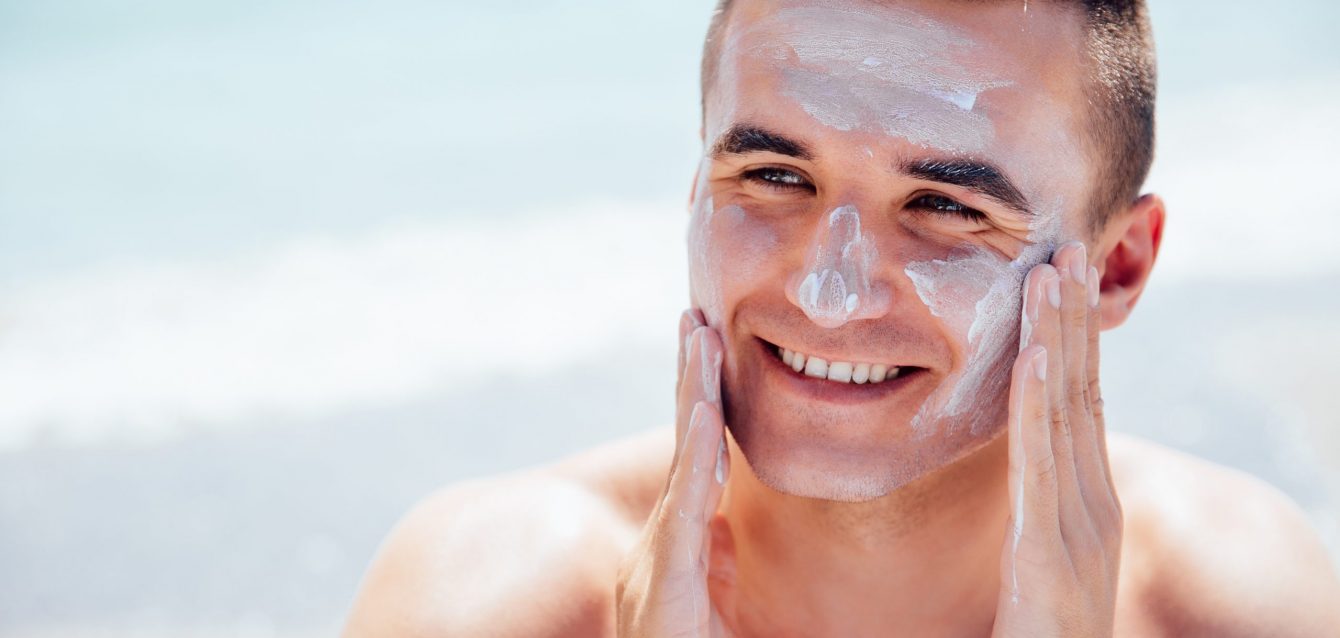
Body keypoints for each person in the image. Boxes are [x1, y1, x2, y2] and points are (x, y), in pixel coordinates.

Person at [342, 0, 1340, 635]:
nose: (828, 289)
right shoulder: (491, 597)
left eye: (945, 206)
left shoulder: (1228, 602)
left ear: (1115, 265)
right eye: (774, 175)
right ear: (694, 189)